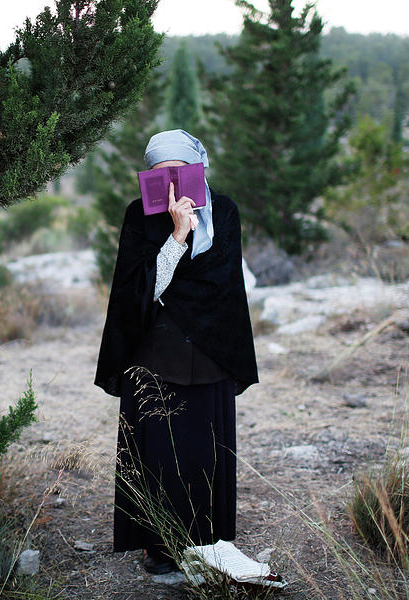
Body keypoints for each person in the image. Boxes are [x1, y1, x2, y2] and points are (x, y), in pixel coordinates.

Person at [94, 129, 258, 575]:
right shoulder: (138, 217)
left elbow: (222, 287)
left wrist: (192, 233)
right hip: (154, 358)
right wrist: (177, 236)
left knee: (204, 454)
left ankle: (207, 542)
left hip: (210, 354)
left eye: (179, 171)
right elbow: (139, 294)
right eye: (159, 173)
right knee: (160, 457)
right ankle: (160, 548)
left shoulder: (223, 211)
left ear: (195, 169)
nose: (170, 181)